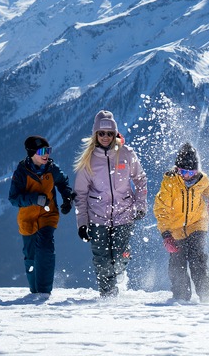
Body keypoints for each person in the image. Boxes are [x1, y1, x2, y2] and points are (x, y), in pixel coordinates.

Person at [73, 110, 148, 298]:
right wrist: (82, 223)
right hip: (97, 218)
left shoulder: (126, 154)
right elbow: (80, 194)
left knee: (120, 258)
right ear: (95, 135)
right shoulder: (89, 160)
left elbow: (140, 179)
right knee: (102, 260)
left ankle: (119, 271)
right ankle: (109, 298)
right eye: (101, 133)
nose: (105, 137)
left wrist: (140, 205)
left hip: (124, 214)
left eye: (109, 133)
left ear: (115, 134)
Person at [8, 135, 75, 298]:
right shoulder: (22, 173)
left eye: (48, 150)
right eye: (43, 151)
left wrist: (67, 198)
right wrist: (33, 199)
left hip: (48, 214)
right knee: (30, 256)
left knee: (45, 248)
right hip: (27, 218)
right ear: (32, 153)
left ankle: (44, 291)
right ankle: (35, 291)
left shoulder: (52, 169)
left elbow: (63, 182)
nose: (47, 154)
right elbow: (13, 198)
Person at [154, 142, 209, 303]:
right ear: (177, 169)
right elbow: (161, 209)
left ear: (197, 170)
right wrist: (166, 235)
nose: (187, 176)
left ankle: (205, 294)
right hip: (175, 228)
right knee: (177, 262)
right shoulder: (170, 182)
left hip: (197, 223)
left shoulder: (203, 179)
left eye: (191, 171)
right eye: (183, 171)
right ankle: (181, 297)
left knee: (197, 257)